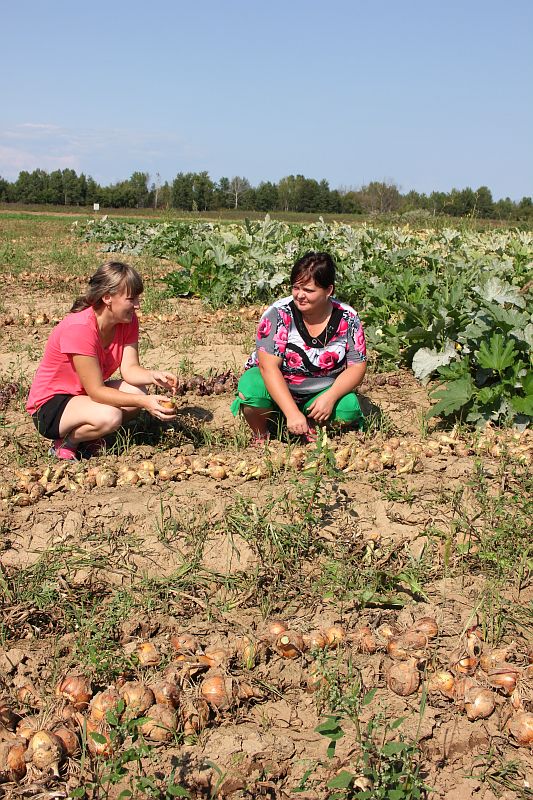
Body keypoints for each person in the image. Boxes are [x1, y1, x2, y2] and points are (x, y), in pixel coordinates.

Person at [27, 260, 178, 460]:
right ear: (108, 298)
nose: (138, 305)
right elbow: (97, 391)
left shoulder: (127, 321)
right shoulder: (80, 328)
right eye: (131, 299)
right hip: (51, 405)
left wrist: (153, 376)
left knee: (137, 389)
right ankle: (67, 442)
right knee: (111, 415)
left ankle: (90, 437)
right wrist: (144, 403)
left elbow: (130, 369)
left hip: (81, 397)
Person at [231, 251, 367, 443]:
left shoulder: (348, 318)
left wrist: (330, 397)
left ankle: (310, 425)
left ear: (329, 291)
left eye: (309, 291)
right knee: (252, 389)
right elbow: (267, 367)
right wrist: (291, 412)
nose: (300, 295)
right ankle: (263, 431)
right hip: (277, 386)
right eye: (296, 288)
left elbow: (357, 366)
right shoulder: (278, 314)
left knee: (349, 407)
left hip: (320, 392)